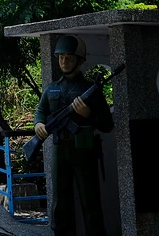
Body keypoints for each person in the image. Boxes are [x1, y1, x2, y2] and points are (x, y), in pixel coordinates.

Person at [34, 35, 113, 236]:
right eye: (61, 57)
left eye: (69, 57)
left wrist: (89, 115)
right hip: (60, 150)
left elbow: (107, 124)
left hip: (83, 150)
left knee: (90, 200)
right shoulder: (52, 88)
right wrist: (39, 124)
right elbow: (41, 111)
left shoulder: (89, 90)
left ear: (79, 60)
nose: (64, 61)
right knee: (60, 202)